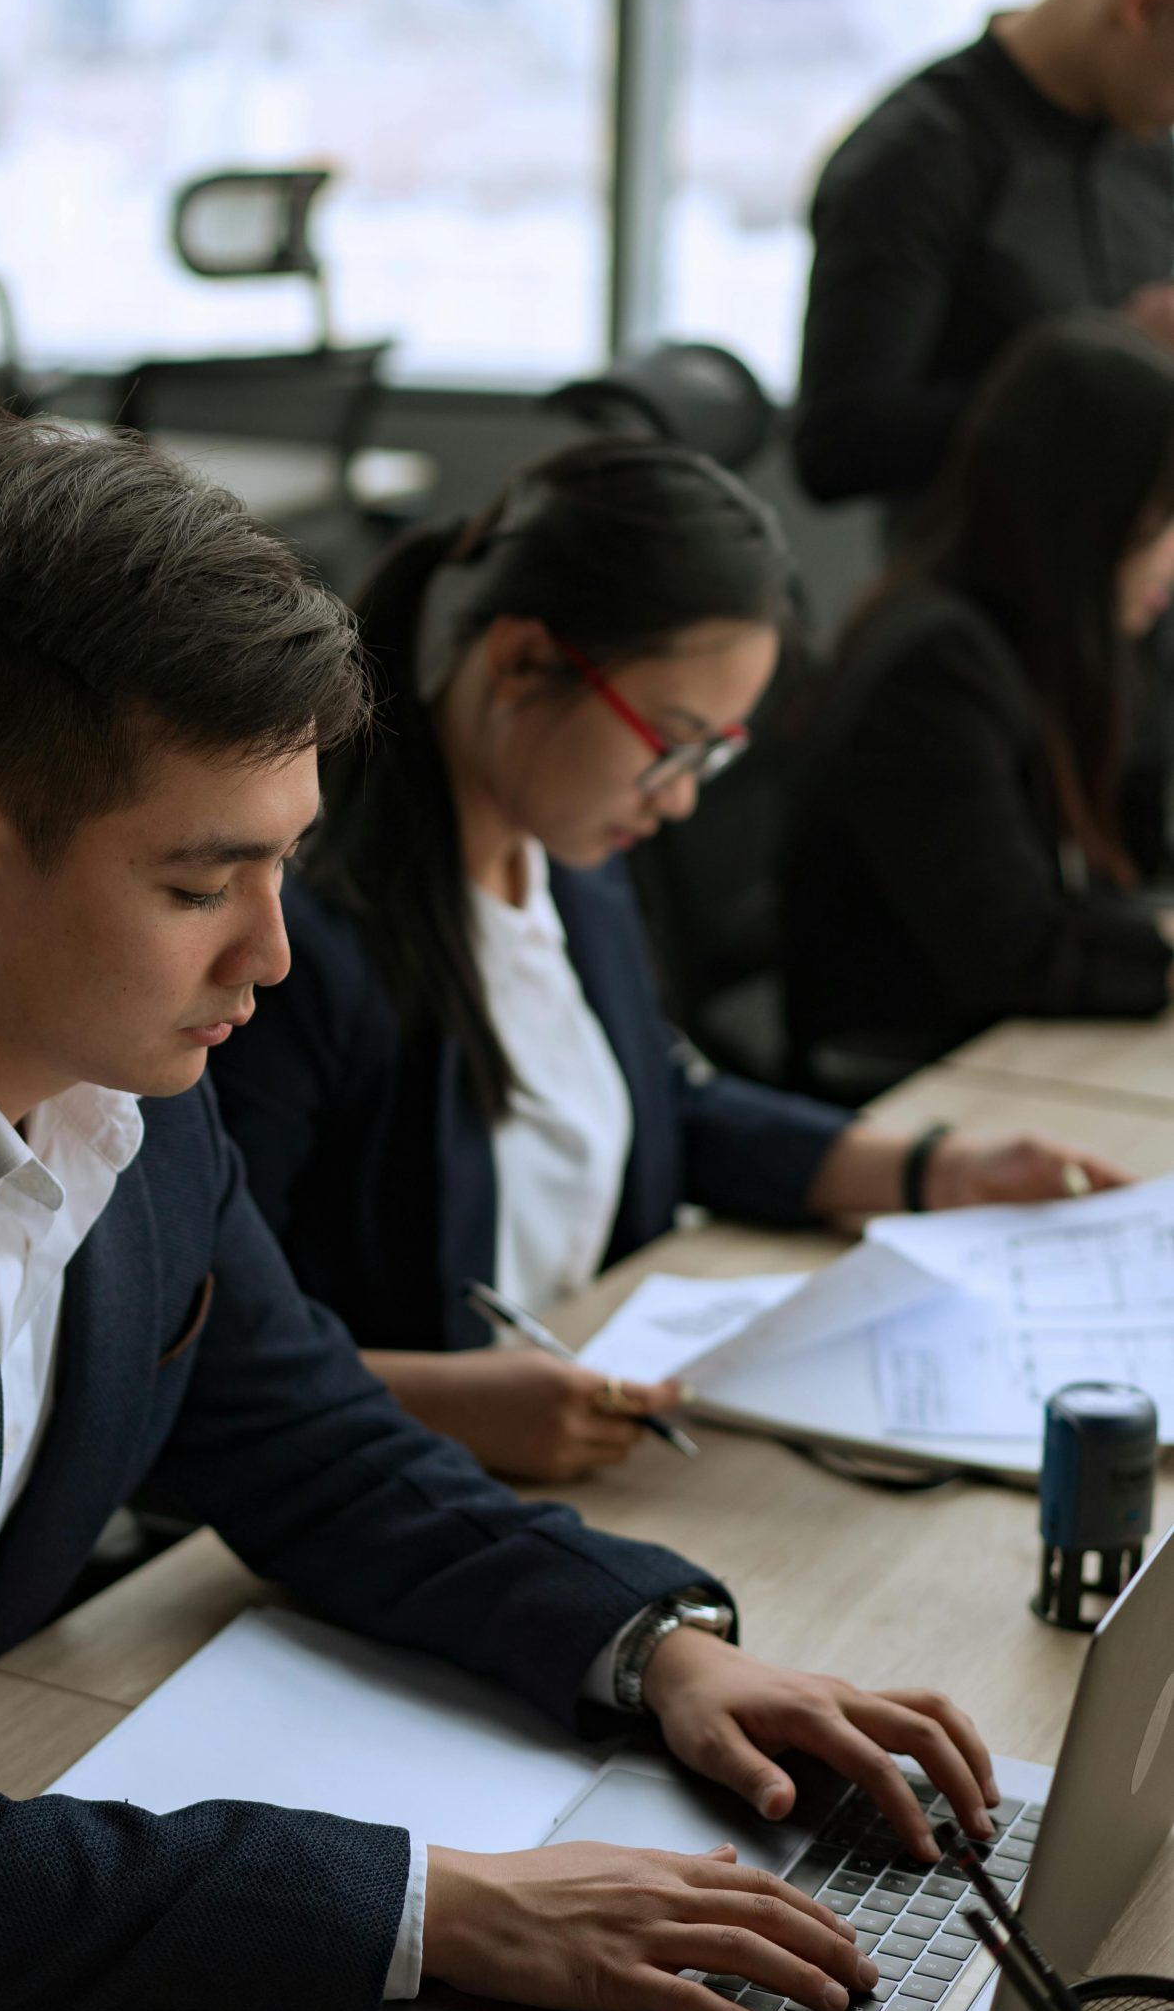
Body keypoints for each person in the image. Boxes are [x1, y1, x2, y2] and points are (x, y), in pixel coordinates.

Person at [0, 421, 1002, 2011]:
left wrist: (656, 1652)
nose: (270, 953)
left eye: (286, 863)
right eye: (206, 881)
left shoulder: (109, 1039)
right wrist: (451, 1912)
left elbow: (296, 1428)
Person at [209, 437, 1121, 1488]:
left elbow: (658, 1099)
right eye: (672, 741)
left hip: (582, 1448)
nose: (683, 796)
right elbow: (203, 1344)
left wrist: (930, 1168)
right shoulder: (295, 949)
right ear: (517, 661)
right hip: (383, 1491)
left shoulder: (568, 857)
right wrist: (446, 1407)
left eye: (716, 753)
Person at [781, 315, 1174, 1074]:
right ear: (1085, 513)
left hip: (1015, 1055)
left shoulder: (1047, 641)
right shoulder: (937, 671)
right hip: (920, 1073)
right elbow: (1016, 953)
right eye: (1157, 521)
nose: (1169, 557)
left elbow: (1125, 848)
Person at [793, 0, 1174, 511]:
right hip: (988, 607)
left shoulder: (1150, 144)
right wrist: (1110, 360)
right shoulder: (915, 157)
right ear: (1142, 6)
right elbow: (837, 445)